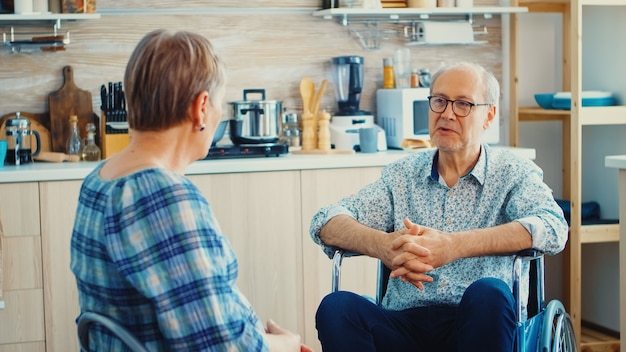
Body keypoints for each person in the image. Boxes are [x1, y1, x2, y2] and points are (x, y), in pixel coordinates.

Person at [70, 29, 311, 352]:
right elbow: (218, 348)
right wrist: (284, 344)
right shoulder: (160, 197)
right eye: (219, 105)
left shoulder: (99, 180)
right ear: (201, 107)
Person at [310, 61, 569, 352]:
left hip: (478, 321)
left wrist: (454, 246)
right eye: (439, 101)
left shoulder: (513, 173)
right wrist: (382, 244)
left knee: (490, 292)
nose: (447, 113)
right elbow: (326, 221)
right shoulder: (401, 175)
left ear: (489, 115)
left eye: (463, 104)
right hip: (404, 323)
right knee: (337, 307)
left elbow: (553, 226)